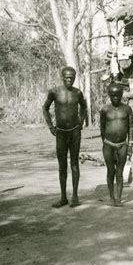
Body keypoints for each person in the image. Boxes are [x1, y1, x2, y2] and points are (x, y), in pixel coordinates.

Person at [42, 66, 87, 208]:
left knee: (74, 163)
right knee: (62, 165)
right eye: (67, 77)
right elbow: (45, 108)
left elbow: (84, 108)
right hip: (61, 133)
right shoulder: (55, 92)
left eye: (72, 77)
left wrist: (81, 122)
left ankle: (74, 197)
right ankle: (63, 198)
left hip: (75, 132)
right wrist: (50, 126)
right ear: (62, 77)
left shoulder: (78, 93)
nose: (69, 80)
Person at [100, 82, 133, 207]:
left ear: (122, 95)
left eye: (118, 96)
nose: (116, 98)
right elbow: (102, 128)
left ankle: (118, 198)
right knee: (110, 171)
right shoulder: (105, 110)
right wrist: (105, 142)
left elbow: (131, 126)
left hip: (122, 145)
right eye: (113, 96)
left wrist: (130, 144)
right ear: (109, 95)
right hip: (108, 144)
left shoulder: (127, 109)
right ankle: (111, 197)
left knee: (119, 172)